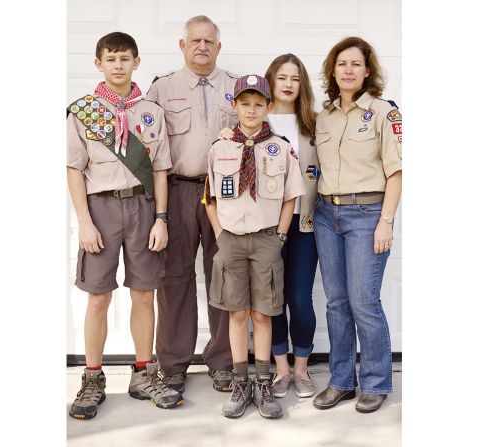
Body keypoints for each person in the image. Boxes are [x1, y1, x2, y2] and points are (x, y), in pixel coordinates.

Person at [66, 31, 182, 419]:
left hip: (143, 208)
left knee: (144, 293)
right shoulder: (83, 111)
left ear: (137, 62)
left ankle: (144, 373)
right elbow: (73, 170)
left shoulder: (151, 110)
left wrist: (161, 218)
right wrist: (84, 221)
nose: (118, 65)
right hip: (101, 209)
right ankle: (93, 377)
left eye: (125, 58)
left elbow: (162, 168)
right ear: (98, 64)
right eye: (111, 59)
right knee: (98, 296)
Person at [144, 15, 239, 394]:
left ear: (219, 47)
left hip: (226, 193)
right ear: (182, 46)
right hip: (178, 190)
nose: (202, 46)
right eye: (195, 40)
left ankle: (222, 361)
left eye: (209, 41)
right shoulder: (161, 89)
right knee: (174, 279)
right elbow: (147, 150)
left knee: (225, 276)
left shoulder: (237, 87)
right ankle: (173, 363)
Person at [204, 74, 306, 419]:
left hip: (266, 239)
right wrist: (220, 235)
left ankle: (264, 382)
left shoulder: (280, 147)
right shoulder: (220, 148)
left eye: (258, 104)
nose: (251, 110)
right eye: (244, 104)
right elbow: (210, 198)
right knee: (236, 313)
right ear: (234, 106)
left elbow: (292, 196)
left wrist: (279, 237)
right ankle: (240, 382)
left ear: (268, 107)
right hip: (231, 239)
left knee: (263, 313)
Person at [219, 54, 320, 399]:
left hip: (302, 221)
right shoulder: (257, 124)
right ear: (270, 83)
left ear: (301, 84)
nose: (289, 84)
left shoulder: (314, 125)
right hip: (264, 226)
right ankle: (278, 369)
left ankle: (302, 369)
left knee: (299, 297)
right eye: (282, 77)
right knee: (270, 300)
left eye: (295, 78)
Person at [311, 36, 402, 414]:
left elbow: (397, 172)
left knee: (364, 301)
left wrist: (386, 222)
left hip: (367, 216)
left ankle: (376, 382)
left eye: (356, 64)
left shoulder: (384, 113)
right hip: (326, 215)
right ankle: (341, 381)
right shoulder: (323, 116)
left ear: (368, 71)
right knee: (336, 303)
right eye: (341, 64)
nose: (348, 70)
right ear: (333, 70)